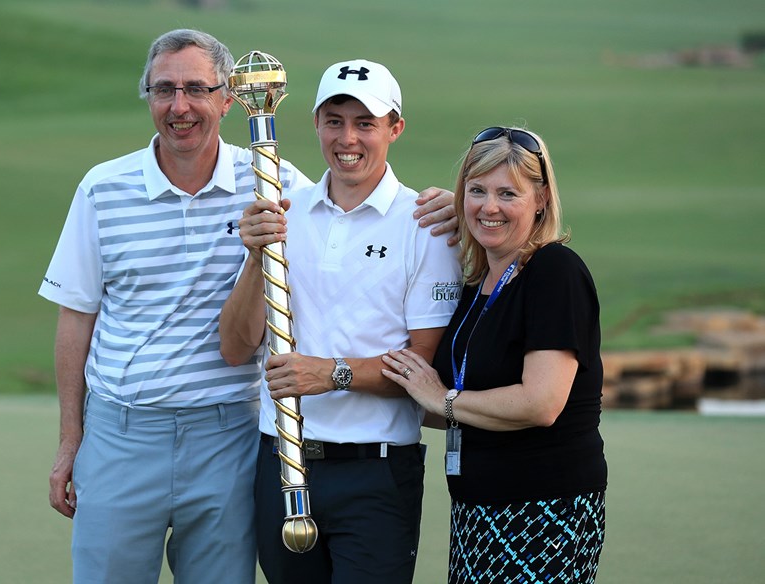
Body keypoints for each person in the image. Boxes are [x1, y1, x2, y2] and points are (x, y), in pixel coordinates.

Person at [38, 30, 457, 584]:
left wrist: (456, 209)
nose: (179, 106)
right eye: (164, 90)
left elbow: (355, 206)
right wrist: (71, 441)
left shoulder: (274, 182)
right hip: (125, 432)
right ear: (147, 96)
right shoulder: (103, 189)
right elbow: (77, 319)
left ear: (227, 98)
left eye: (196, 88)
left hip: (229, 438)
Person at [219, 59, 462, 584]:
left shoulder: (423, 225)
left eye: (365, 123)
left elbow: (424, 365)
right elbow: (237, 348)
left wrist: (331, 373)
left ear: (395, 129)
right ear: (315, 124)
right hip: (281, 462)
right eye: (334, 120)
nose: (347, 138)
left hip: (377, 471)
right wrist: (257, 257)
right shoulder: (283, 213)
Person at [382, 126, 608, 583]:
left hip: (544, 510)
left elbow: (541, 403)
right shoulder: (477, 284)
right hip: (476, 511)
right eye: (477, 190)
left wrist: (442, 398)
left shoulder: (553, 271)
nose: (490, 206)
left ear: (541, 199)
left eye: (509, 193)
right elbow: (447, 399)